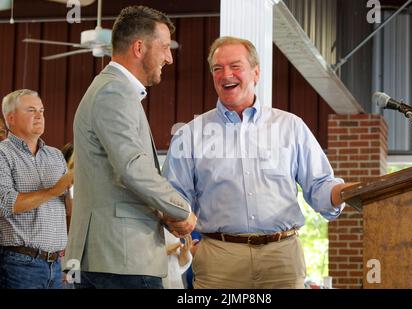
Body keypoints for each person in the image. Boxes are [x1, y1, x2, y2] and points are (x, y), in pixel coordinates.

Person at [162, 36, 355, 289]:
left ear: (256, 72)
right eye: (217, 69)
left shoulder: (290, 127)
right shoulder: (190, 135)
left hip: (282, 261)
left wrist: (346, 192)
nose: (225, 74)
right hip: (219, 262)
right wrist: (187, 238)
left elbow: (319, 186)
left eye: (235, 66)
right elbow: (172, 197)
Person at [64, 5, 196, 289]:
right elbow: (132, 168)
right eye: (164, 47)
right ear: (139, 47)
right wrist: (182, 210)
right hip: (120, 256)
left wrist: (163, 214)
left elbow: (116, 178)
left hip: (111, 255)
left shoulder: (112, 90)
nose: (169, 58)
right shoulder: (114, 92)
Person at [0, 89, 73, 289]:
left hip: (57, 264)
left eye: (41, 110)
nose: (39, 115)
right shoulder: (3, 154)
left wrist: (79, 189)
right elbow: (5, 204)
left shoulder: (56, 155)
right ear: (11, 118)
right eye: (31, 110)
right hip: (20, 263)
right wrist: (54, 190)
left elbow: (70, 209)